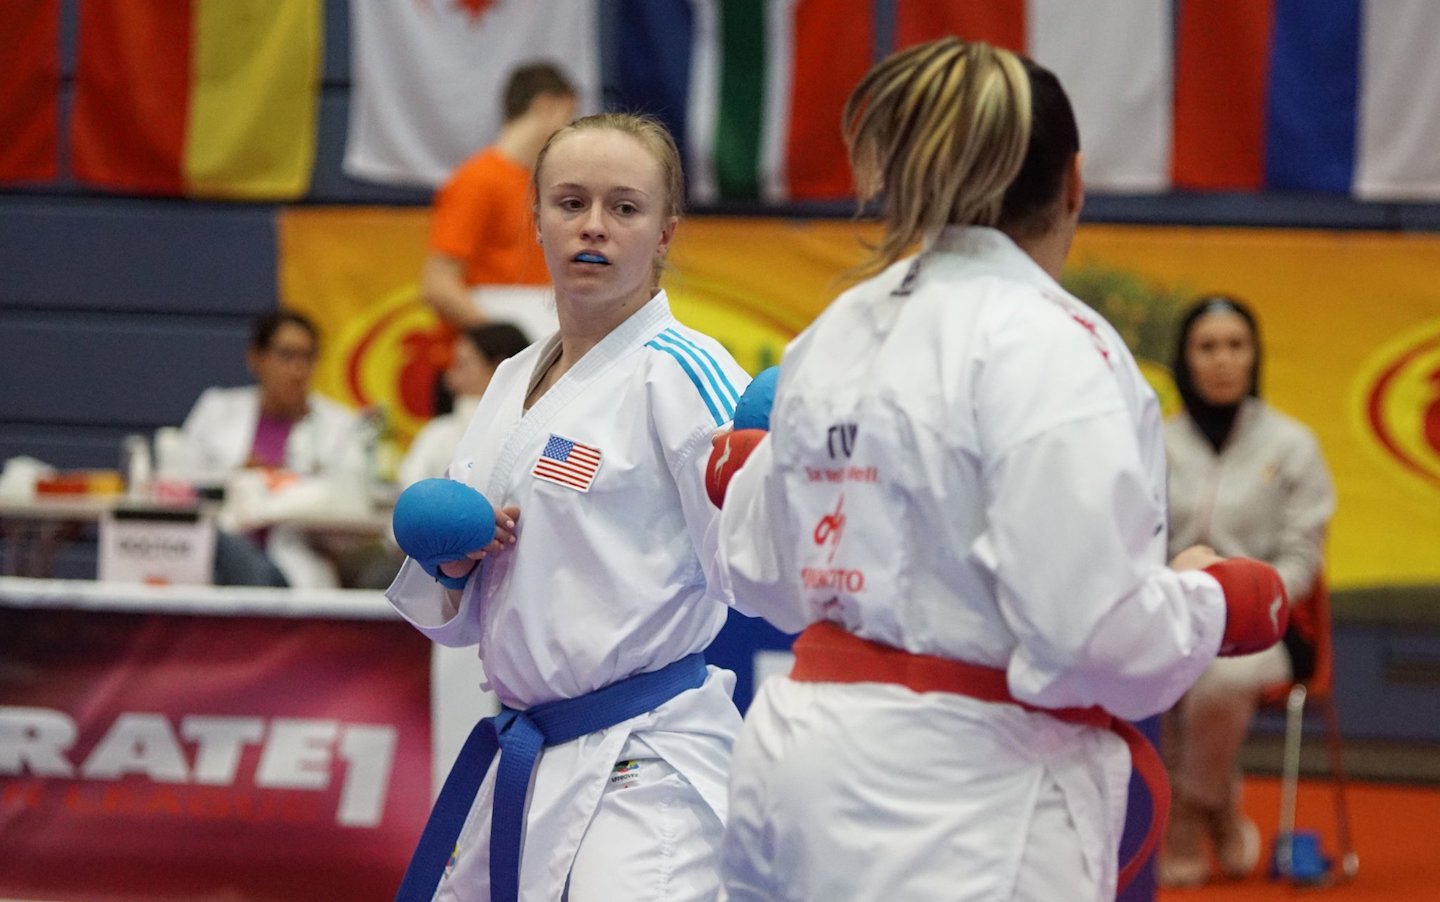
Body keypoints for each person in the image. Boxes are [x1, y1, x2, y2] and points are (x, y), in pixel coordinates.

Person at [707, 37, 1292, 901]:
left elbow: (757, 572)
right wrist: (1212, 602)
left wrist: (759, 480)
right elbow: (1092, 636)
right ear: (1074, 183)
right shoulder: (1053, 346)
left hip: (795, 766)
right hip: (963, 804)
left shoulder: (830, 333)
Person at [385, 112, 750, 902]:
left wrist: (773, 477)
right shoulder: (512, 378)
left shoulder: (684, 374)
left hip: (645, 762)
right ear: (537, 222)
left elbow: (755, 566)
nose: (594, 226)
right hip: (529, 748)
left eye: (625, 208)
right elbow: (460, 613)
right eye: (571, 202)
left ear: (664, 232)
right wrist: (455, 561)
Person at [1157, 295, 1337, 887]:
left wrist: (1242, 602)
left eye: (1236, 346)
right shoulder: (1154, 440)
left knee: (1221, 672)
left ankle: (1186, 812)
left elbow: (1302, 560)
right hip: (1168, 616)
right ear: (1184, 360)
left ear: (1255, 356)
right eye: (1207, 347)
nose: (1223, 360)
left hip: (1268, 624)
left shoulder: (1292, 445)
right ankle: (1224, 810)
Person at [174, 309, 366, 588]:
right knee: (219, 548)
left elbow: (350, 516)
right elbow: (180, 487)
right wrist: (237, 477)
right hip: (218, 552)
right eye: (286, 355)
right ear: (256, 358)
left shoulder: (341, 426)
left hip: (293, 561)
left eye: (308, 357)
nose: (298, 370)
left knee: (252, 571)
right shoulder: (216, 409)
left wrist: (286, 488)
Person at [421, 61, 577, 347]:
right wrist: (505, 341)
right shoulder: (477, 180)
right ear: (545, 106)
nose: (568, 132)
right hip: (487, 360)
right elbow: (438, 285)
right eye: (568, 116)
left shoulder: (543, 185)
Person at [398, 322, 532, 487]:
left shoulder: (533, 430)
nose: (449, 379)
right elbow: (411, 492)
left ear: (499, 367)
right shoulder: (439, 433)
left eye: (461, 365)